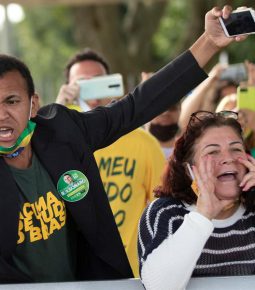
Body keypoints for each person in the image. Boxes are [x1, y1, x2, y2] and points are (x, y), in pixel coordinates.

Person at [0, 5, 246, 283]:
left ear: (33, 104)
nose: (2, 115)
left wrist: (209, 43)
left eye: (11, 101)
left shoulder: (63, 130)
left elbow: (137, 105)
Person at [57, 49, 165, 277]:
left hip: (131, 273)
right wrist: (59, 109)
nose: (91, 89)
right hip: (73, 273)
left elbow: (163, 207)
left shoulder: (144, 143)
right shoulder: (54, 141)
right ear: (68, 87)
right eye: (82, 83)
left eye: (99, 81)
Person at [138, 110, 255, 290]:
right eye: (213, 151)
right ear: (189, 170)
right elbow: (158, 286)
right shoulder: (166, 213)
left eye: (236, 149)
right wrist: (203, 215)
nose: (228, 159)